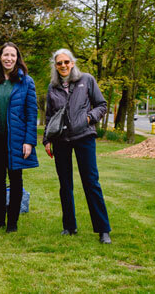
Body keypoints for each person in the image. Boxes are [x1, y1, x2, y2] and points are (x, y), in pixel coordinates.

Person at [43, 49, 111, 244]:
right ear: (55, 66)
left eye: (66, 62)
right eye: (59, 63)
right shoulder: (52, 87)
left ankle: (103, 229)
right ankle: (69, 226)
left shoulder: (86, 80)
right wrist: (46, 140)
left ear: (72, 63)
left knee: (91, 182)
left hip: (84, 136)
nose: (63, 66)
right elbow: (49, 116)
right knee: (65, 184)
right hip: (61, 140)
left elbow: (102, 105)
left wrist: (89, 118)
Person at [0, 42, 38, 233]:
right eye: (5, 55)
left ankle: (12, 223)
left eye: (13, 55)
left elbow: (32, 114)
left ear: (17, 58)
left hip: (16, 138)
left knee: (16, 180)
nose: (9, 59)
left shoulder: (26, 81)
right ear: (0, 57)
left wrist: (29, 141)